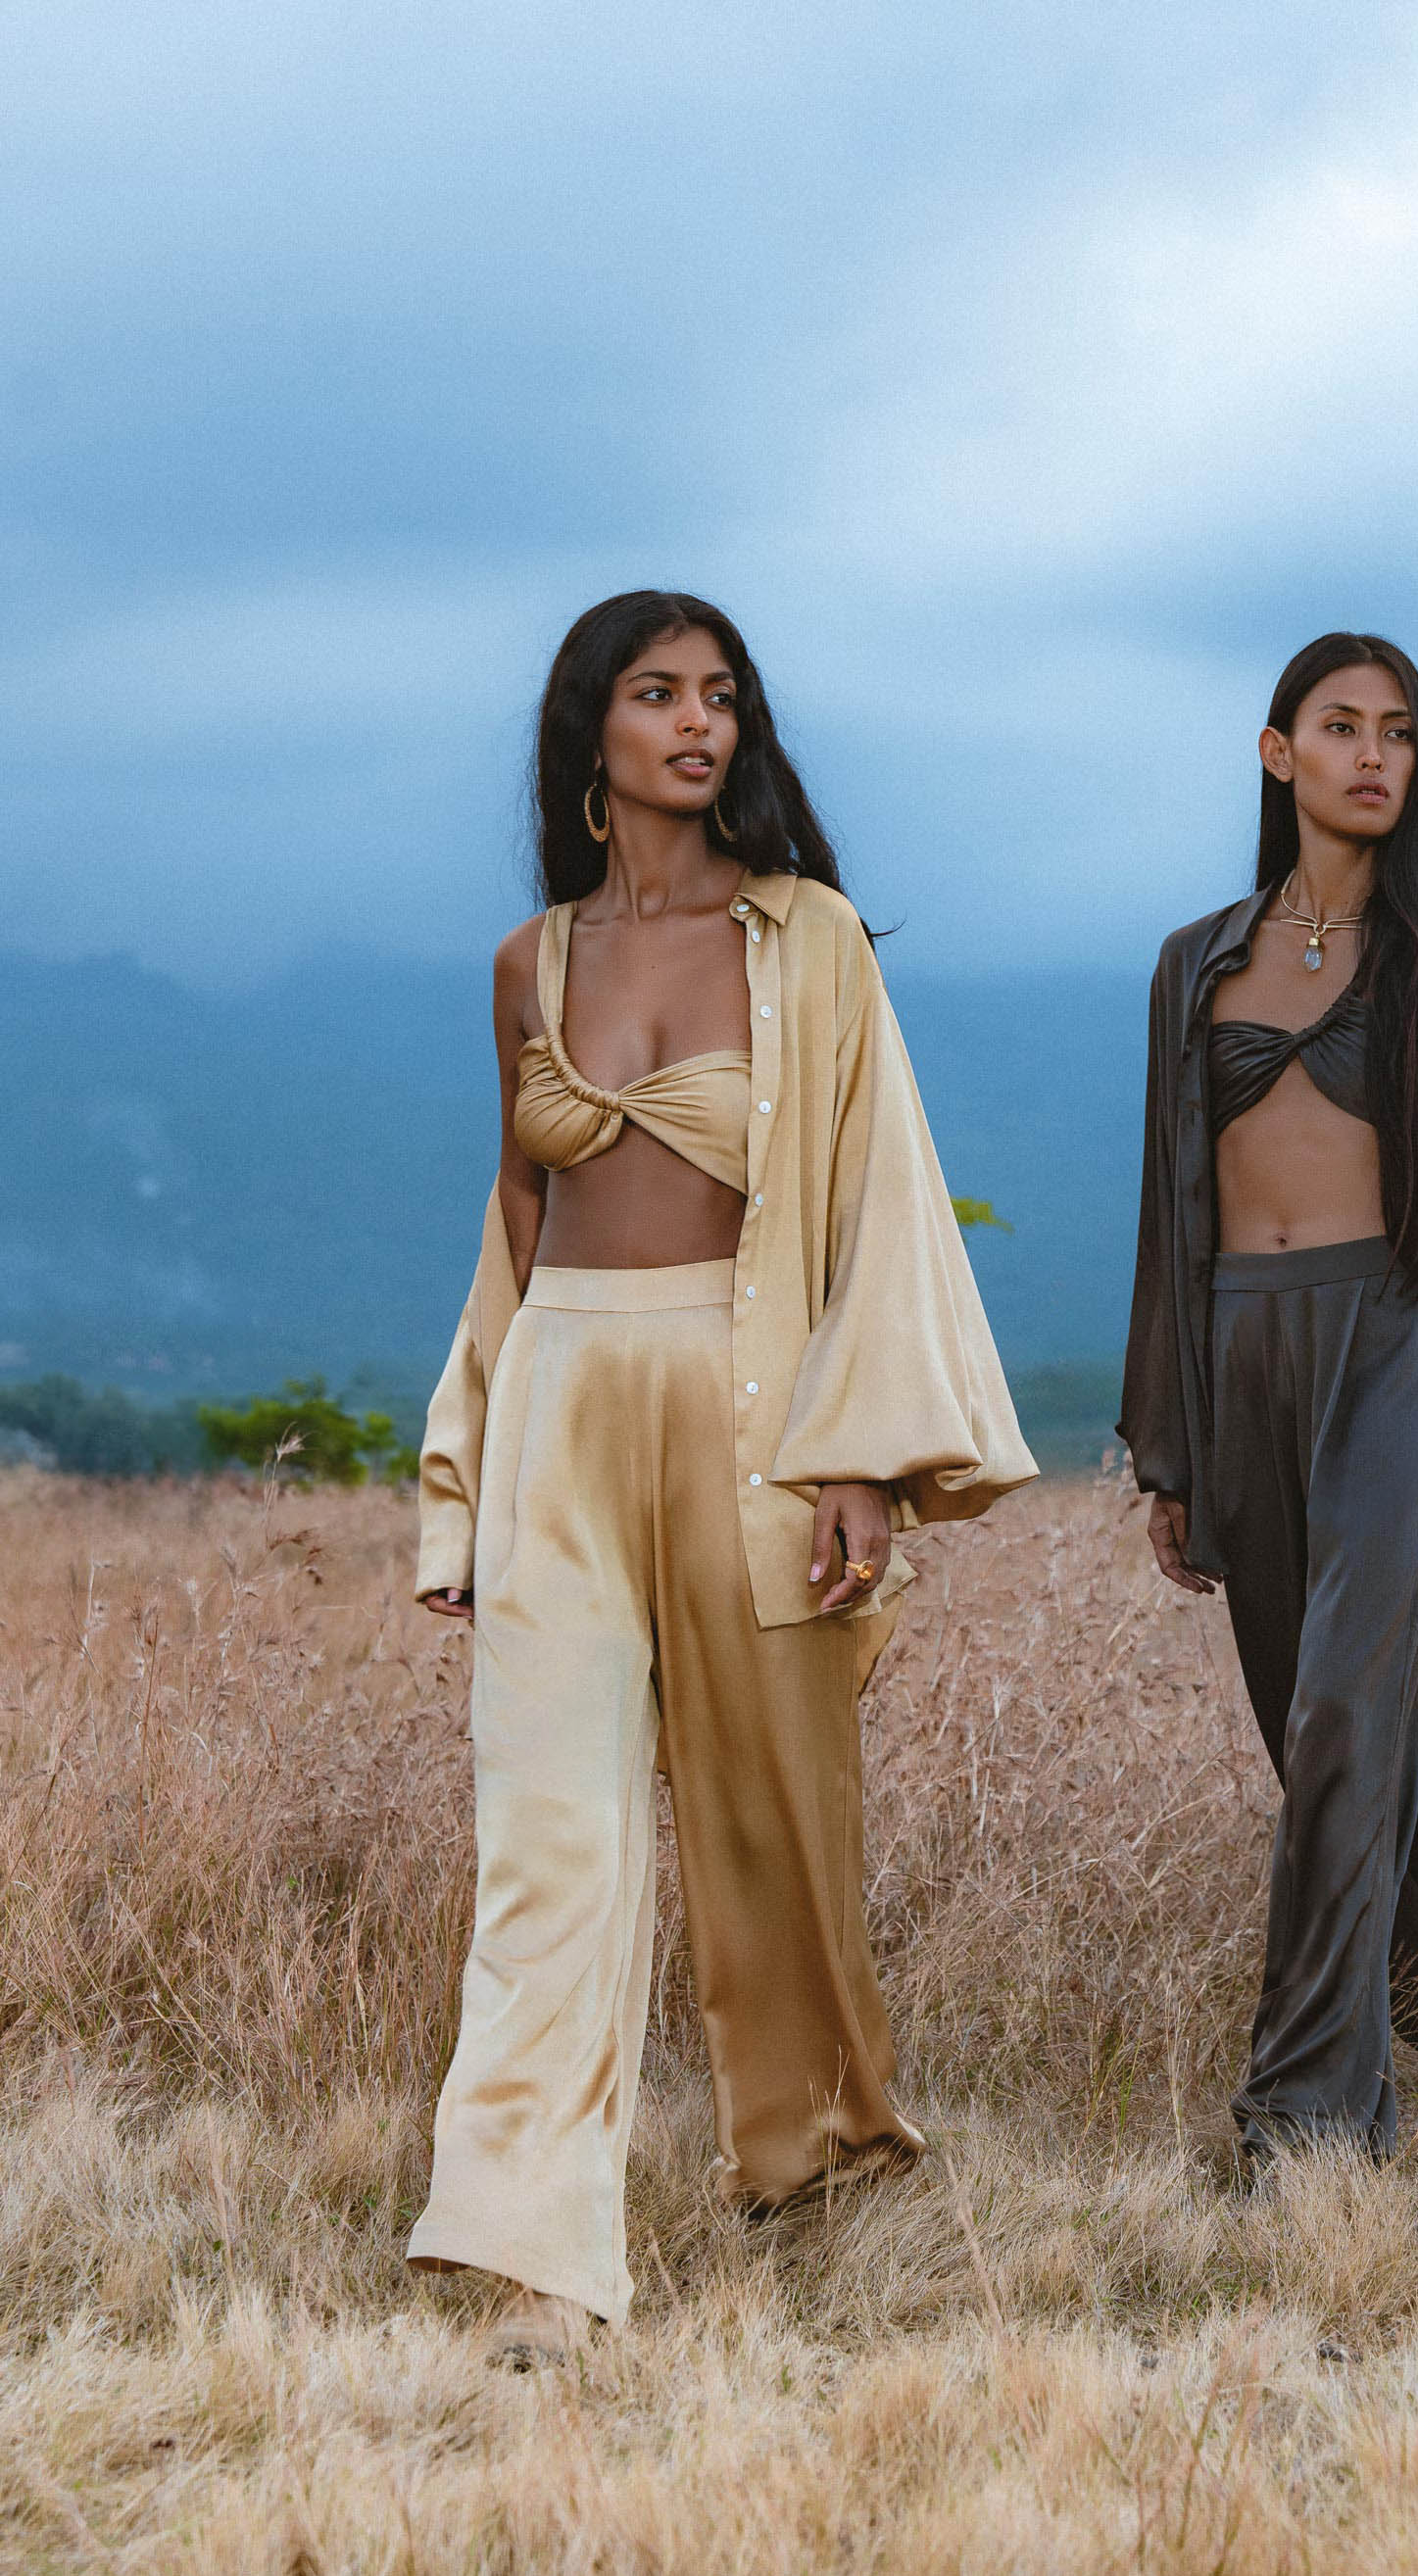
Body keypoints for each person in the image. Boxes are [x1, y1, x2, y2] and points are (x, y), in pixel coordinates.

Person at [409, 590, 1036, 2357]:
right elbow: (514, 1225)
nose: (699, 723)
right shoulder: (533, 962)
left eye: (723, 697)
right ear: (589, 731)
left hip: (752, 1402)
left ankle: (819, 2161)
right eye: (658, 694)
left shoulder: (810, 940)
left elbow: (875, 1203)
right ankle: (534, 2239)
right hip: (561, 1397)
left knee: (776, 1825)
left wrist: (861, 1459)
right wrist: (461, 1476)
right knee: (547, 1827)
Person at [1119, 630, 1418, 2163]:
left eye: (1399, 731)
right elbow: (1166, 1217)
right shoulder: (1194, 963)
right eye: (1340, 728)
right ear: (1280, 755)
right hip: (1244, 1349)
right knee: (1334, 1732)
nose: (1373, 755)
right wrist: (1169, 1439)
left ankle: (1307, 2120)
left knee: (1342, 1712)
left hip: (1407, 1346)